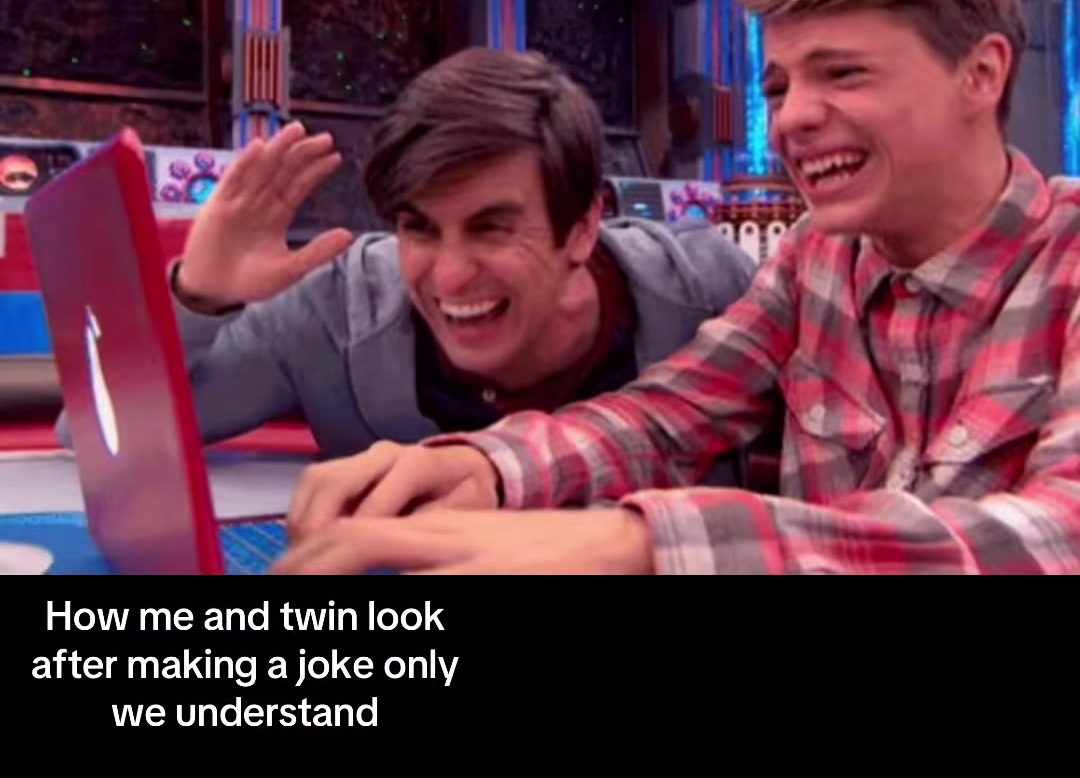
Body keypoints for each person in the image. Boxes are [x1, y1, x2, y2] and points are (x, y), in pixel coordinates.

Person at [274, 0, 1080, 575]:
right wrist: (488, 467)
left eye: (842, 73)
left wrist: (645, 543)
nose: (793, 118)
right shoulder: (815, 258)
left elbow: (1056, 537)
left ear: (981, 74)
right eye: (777, 87)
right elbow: (669, 414)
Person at [56, 47, 757, 477]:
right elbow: (91, 435)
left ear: (581, 227)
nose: (448, 277)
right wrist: (198, 295)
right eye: (418, 229)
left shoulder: (713, 294)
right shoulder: (329, 314)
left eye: (491, 229)